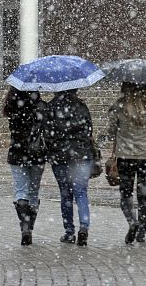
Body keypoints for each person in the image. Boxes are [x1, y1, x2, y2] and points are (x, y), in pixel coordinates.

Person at [106, 82, 146, 244]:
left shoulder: (119, 106)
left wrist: (120, 130)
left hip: (126, 156)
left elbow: (110, 133)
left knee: (126, 193)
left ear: (124, 90)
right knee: (143, 194)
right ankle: (142, 229)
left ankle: (132, 222)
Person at [45, 89, 95, 247]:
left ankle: (69, 232)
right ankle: (84, 227)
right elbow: (89, 130)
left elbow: (47, 134)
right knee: (81, 192)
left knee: (66, 194)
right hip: (81, 155)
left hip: (60, 156)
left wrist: (54, 147)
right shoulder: (81, 106)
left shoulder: (51, 107)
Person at [3, 86, 47, 246]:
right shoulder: (41, 107)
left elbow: (14, 130)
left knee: (21, 191)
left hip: (17, 153)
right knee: (33, 191)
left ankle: (25, 228)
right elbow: (47, 130)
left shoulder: (12, 106)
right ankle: (29, 227)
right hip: (37, 154)